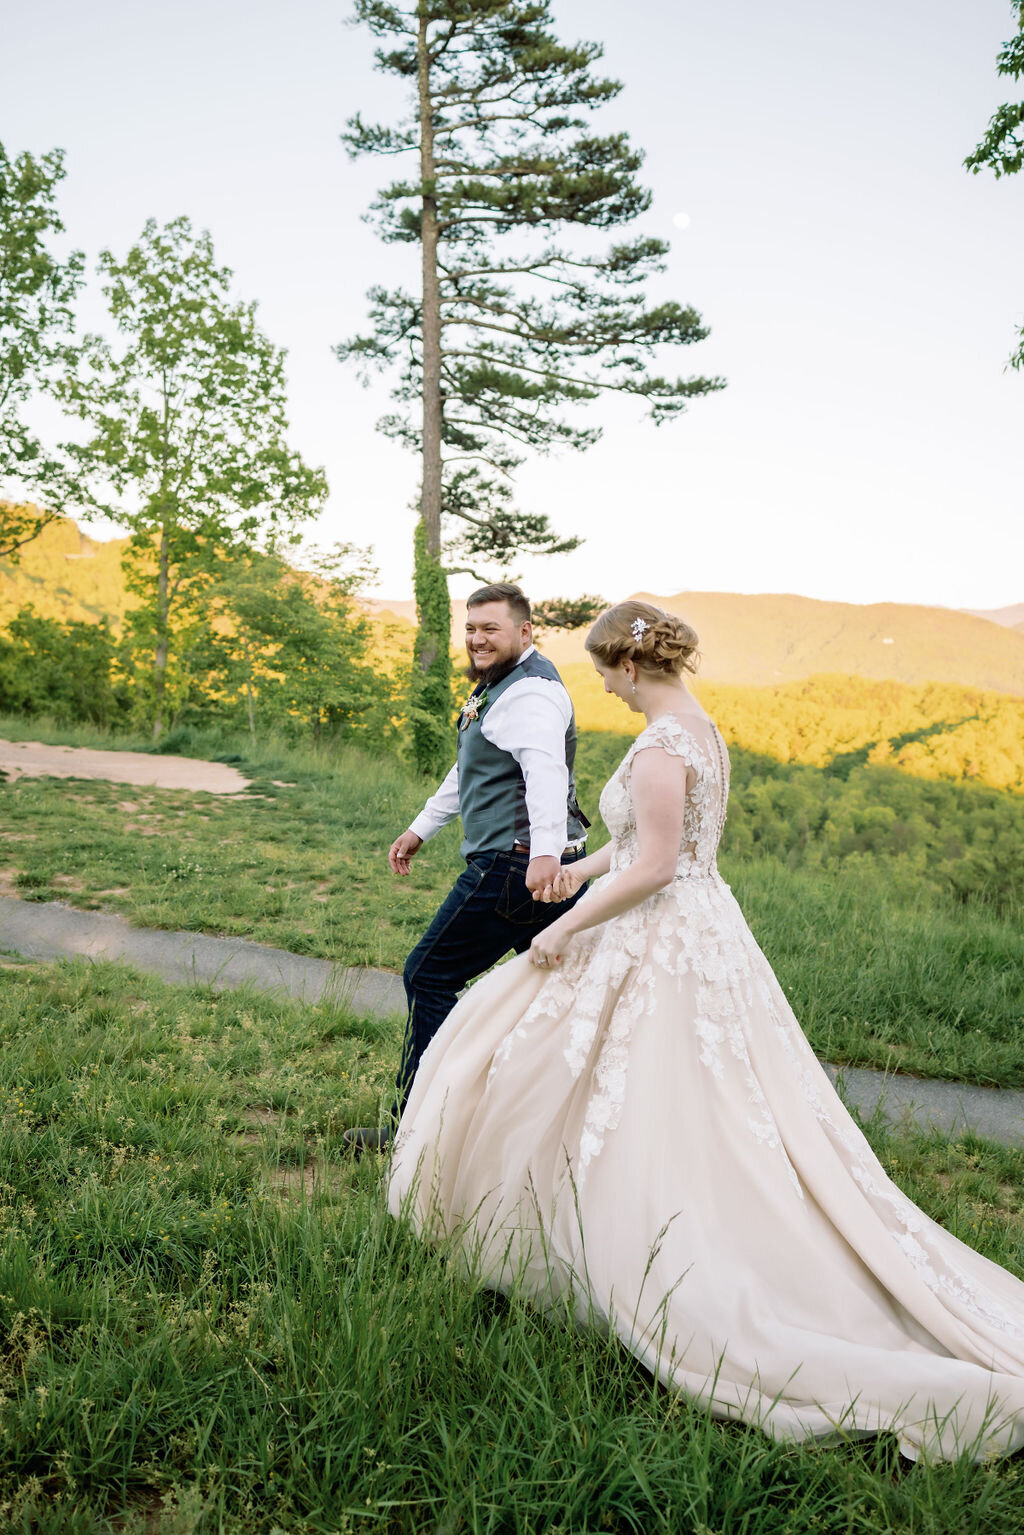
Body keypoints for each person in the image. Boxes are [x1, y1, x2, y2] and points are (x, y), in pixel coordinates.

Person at [387, 599, 1024, 1462]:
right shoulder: (702, 731)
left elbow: (655, 866)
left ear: (632, 665)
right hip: (704, 923)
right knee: (698, 1087)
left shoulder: (658, 743)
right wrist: (579, 865)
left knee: (630, 1083)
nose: (608, 691)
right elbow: (659, 845)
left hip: (662, 934)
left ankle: (641, 1247)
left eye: (609, 675)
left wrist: (566, 925)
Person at [344, 582, 590, 1153]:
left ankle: (416, 1128)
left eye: (491, 629)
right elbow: (471, 770)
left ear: (524, 633)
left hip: (516, 866)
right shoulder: (500, 687)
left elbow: (545, 775)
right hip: (538, 865)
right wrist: (420, 827)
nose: (478, 639)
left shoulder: (529, 695)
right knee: (559, 994)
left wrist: (545, 854)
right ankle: (537, 1125)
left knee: (428, 976)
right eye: (471, 629)